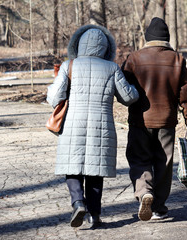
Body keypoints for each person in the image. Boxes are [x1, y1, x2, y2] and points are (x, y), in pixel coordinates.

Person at [46, 25, 139, 228]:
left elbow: (54, 98)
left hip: (72, 125)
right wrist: (135, 86)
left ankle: (78, 202)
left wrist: (51, 88)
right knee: (95, 171)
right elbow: (129, 97)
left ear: (78, 44)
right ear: (106, 47)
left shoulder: (68, 66)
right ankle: (94, 214)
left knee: (73, 168)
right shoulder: (112, 68)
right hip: (102, 126)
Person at [121, 17, 187, 221]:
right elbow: (185, 94)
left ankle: (144, 191)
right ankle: (159, 207)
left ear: (148, 38)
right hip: (166, 121)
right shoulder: (177, 59)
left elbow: (123, 89)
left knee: (139, 158)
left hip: (140, 120)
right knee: (163, 162)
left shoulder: (133, 58)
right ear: (167, 38)